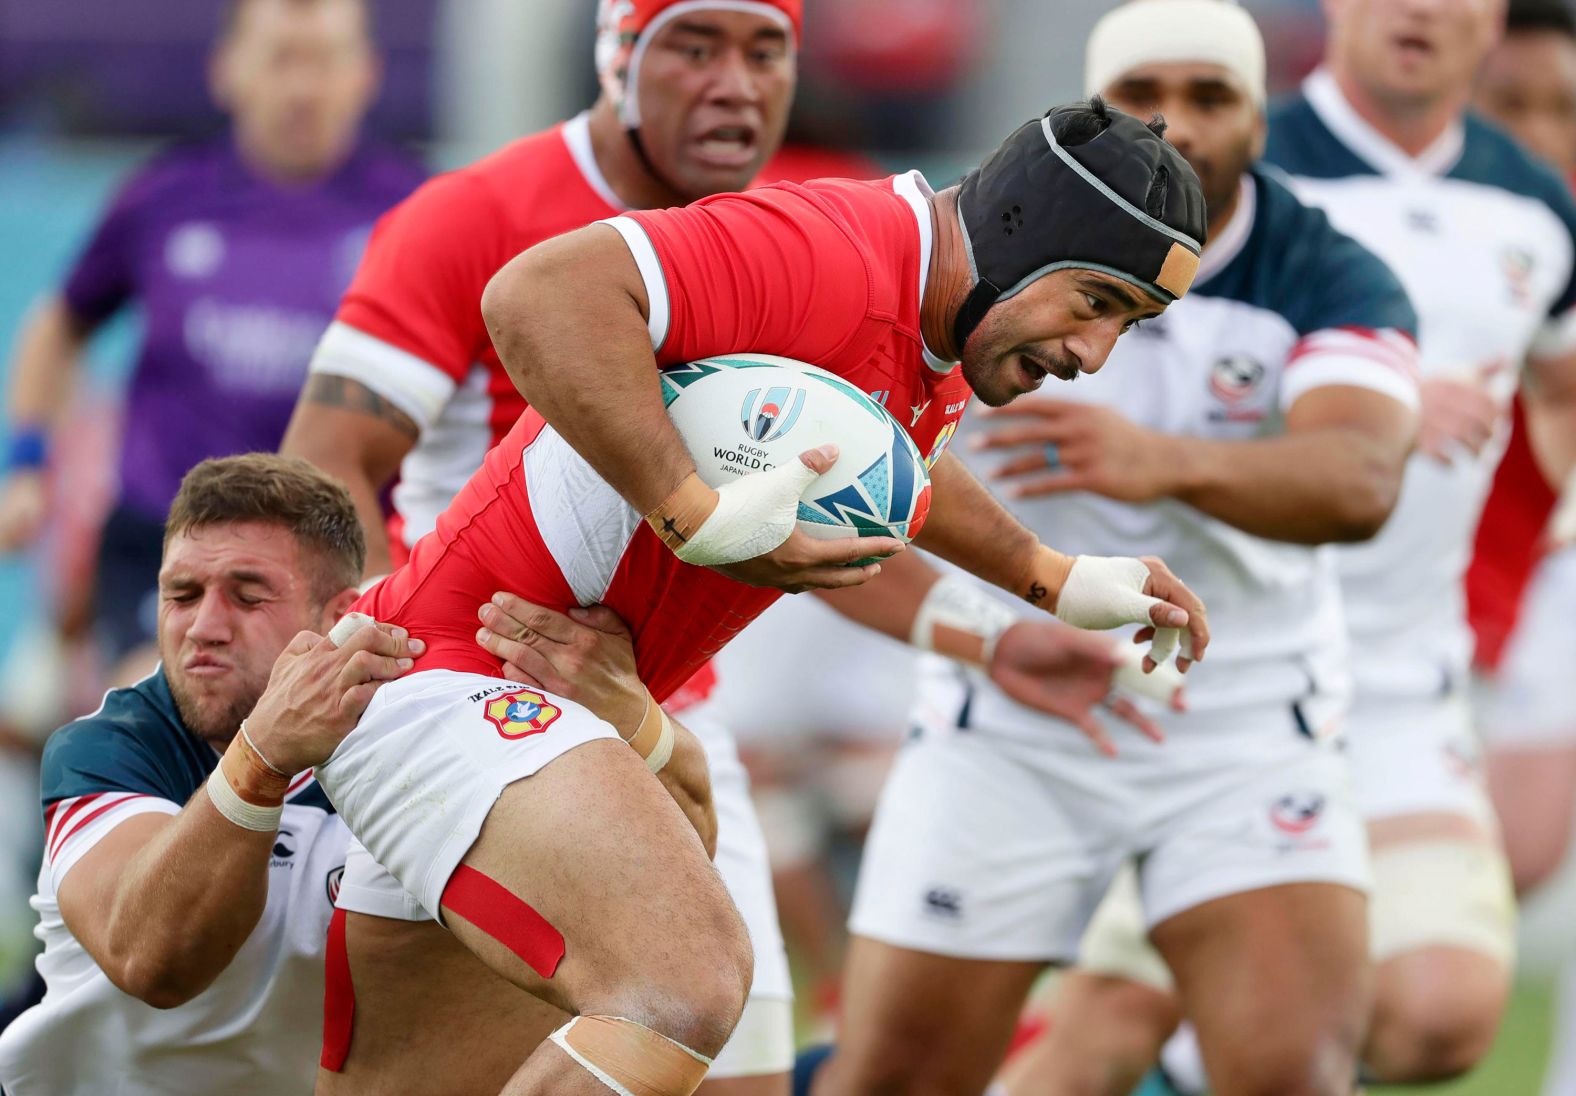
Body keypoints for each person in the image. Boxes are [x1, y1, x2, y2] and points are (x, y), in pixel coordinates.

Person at [311, 98, 1212, 1095]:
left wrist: (1049, 576)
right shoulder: (830, 249)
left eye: (1128, 325)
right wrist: (686, 506)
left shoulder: (936, 327)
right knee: (685, 985)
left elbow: (895, 457)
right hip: (452, 679)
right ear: (1016, 235)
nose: (1093, 356)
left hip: (524, 705)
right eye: (1094, 302)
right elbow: (536, 292)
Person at [796, 5, 1420, 1094]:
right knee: (893, 1079)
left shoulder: (1327, 271)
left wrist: (1157, 460)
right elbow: (842, 484)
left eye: (1210, 95)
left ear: (1261, 119)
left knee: (1296, 1074)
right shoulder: (974, 255)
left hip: (1241, 723)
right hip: (1012, 708)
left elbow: (1361, 482)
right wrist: (988, 637)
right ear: (1088, 115)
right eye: (1142, 96)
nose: (1174, 124)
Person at [281, 3, 807, 1086]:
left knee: (732, 1075)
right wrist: (396, 670)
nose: (734, 84)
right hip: (484, 708)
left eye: (765, 51)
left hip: (666, 719)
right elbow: (326, 460)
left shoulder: (791, 243)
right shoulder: (478, 213)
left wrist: (982, 632)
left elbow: (808, 522)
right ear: (618, 56)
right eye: (693, 46)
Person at [1260, 0, 1576, 1079]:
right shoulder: (1243, 165)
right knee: (1048, 1031)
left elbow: (1562, 386)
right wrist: (1370, 399)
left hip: (1405, 683)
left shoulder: (1530, 204)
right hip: (1219, 674)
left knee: (1439, 1013)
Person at [0, 0, 422, 682]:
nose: (303, 87)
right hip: (169, 542)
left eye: (324, 60)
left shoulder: (414, 211)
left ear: (365, 75)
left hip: (340, 554)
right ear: (228, 70)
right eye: (282, 58)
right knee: (168, 701)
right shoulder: (164, 199)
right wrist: (25, 464)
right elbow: (59, 324)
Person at [0, 454, 421, 1095]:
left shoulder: (411, 745)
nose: (204, 628)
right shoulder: (109, 747)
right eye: (182, 595)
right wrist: (262, 757)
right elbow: (153, 959)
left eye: (248, 596)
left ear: (340, 617)